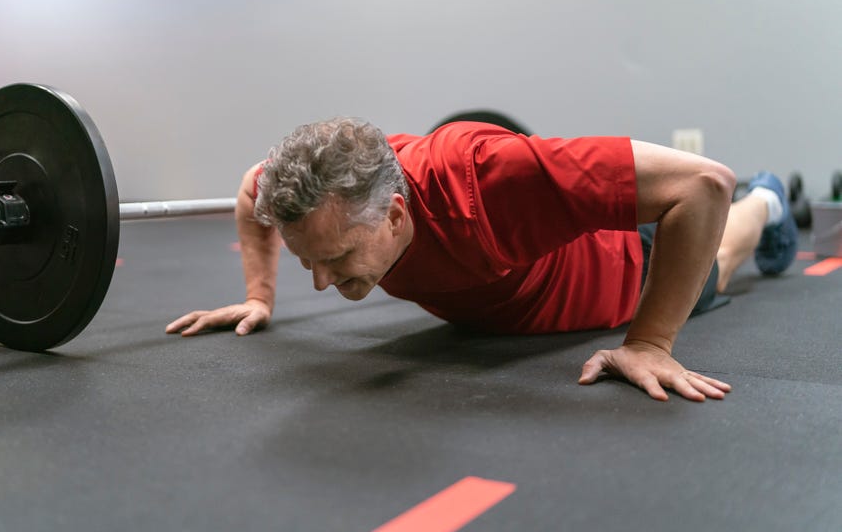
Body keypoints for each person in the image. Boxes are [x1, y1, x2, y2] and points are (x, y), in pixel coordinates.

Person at [166, 118, 798, 402]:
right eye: (309, 263)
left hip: (626, 271)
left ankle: (768, 202)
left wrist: (653, 341)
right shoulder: (302, 192)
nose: (323, 283)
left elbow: (703, 183)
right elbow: (253, 194)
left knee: (722, 254)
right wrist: (259, 295)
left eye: (336, 259)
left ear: (393, 213)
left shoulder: (484, 177)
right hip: (497, 304)